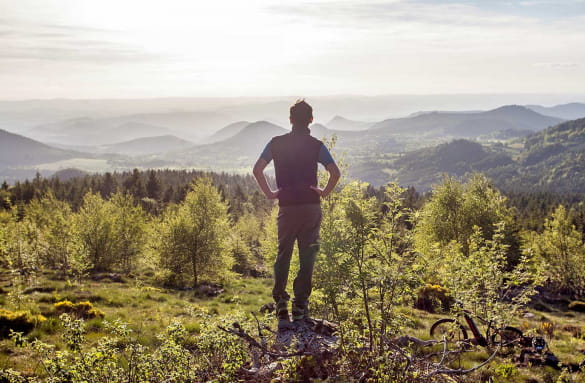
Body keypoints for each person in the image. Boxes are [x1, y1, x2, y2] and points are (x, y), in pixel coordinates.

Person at [253, 99, 341, 329]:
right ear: (311, 119)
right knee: (307, 257)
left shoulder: (275, 143)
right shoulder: (316, 146)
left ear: (290, 120)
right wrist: (323, 193)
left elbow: (257, 169)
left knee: (283, 254)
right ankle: (300, 308)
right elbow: (335, 173)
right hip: (310, 207)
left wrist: (270, 193)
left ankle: (281, 304)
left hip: (287, 207)